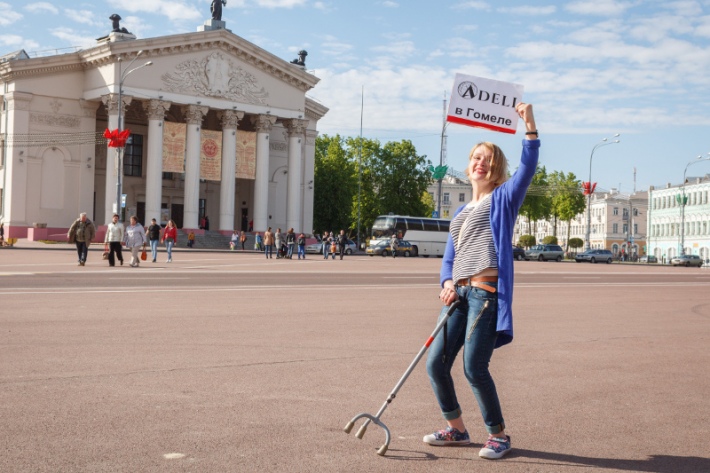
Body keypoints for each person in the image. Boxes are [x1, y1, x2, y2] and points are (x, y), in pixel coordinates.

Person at [423, 102, 539, 460]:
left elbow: (529, 166)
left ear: (496, 168)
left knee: (475, 366)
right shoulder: (459, 211)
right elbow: (450, 258)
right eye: (475, 157)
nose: (480, 162)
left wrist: (530, 125)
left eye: (487, 158)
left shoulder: (503, 198)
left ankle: (498, 435)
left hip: (486, 295)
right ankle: (456, 430)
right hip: (459, 294)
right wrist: (445, 283)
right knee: (435, 363)